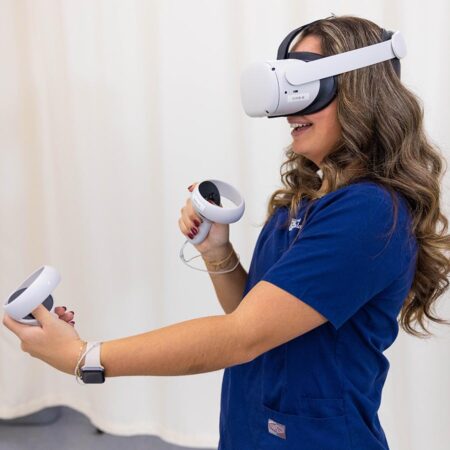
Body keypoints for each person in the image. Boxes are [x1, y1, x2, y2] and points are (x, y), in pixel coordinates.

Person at [3, 15, 450, 450]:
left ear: (359, 91)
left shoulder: (370, 212)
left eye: (306, 87)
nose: (290, 110)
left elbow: (243, 336)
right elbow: (256, 315)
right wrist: (218, 252)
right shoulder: (304, 201)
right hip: (250, 430)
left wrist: (85, 357)